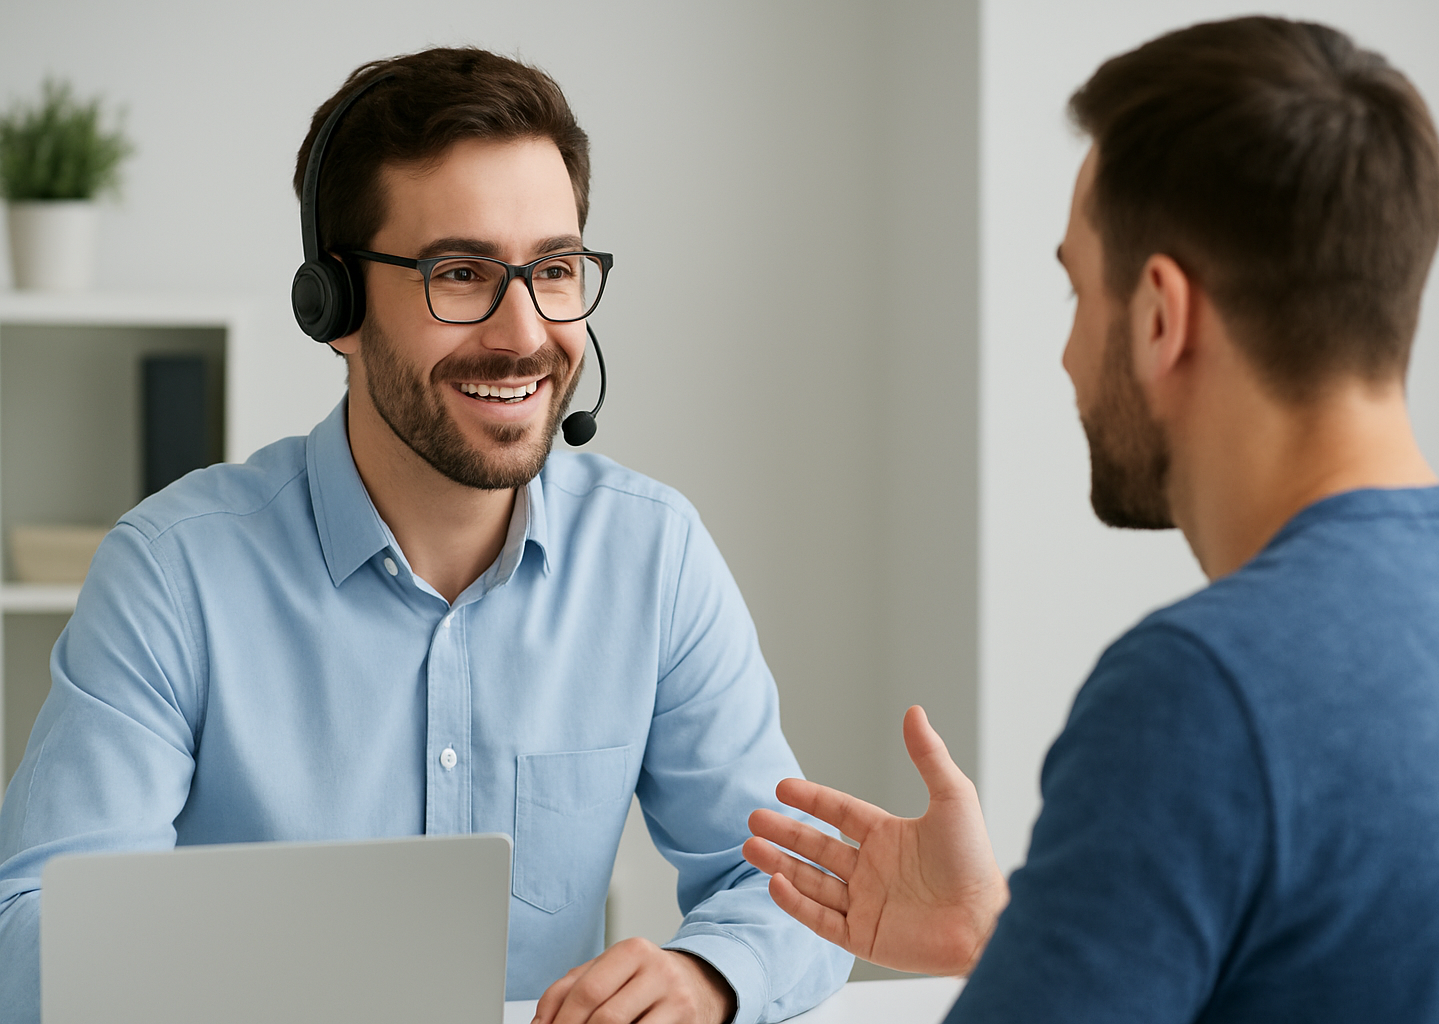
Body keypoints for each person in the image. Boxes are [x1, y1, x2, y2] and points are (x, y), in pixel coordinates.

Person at [0, 47, 850, 1024]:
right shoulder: (174, 571)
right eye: (461, 273)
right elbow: (30, 935)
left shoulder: (652, 556)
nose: (525, 331)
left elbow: (798, 897)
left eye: (556, 269)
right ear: (335, 306)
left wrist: (708, 977)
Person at [745, 16, 1439, 1023]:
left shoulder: (1200, 694)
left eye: (1079, 291)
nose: (1070, 357)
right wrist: (1013, 937)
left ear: (1162, 315)